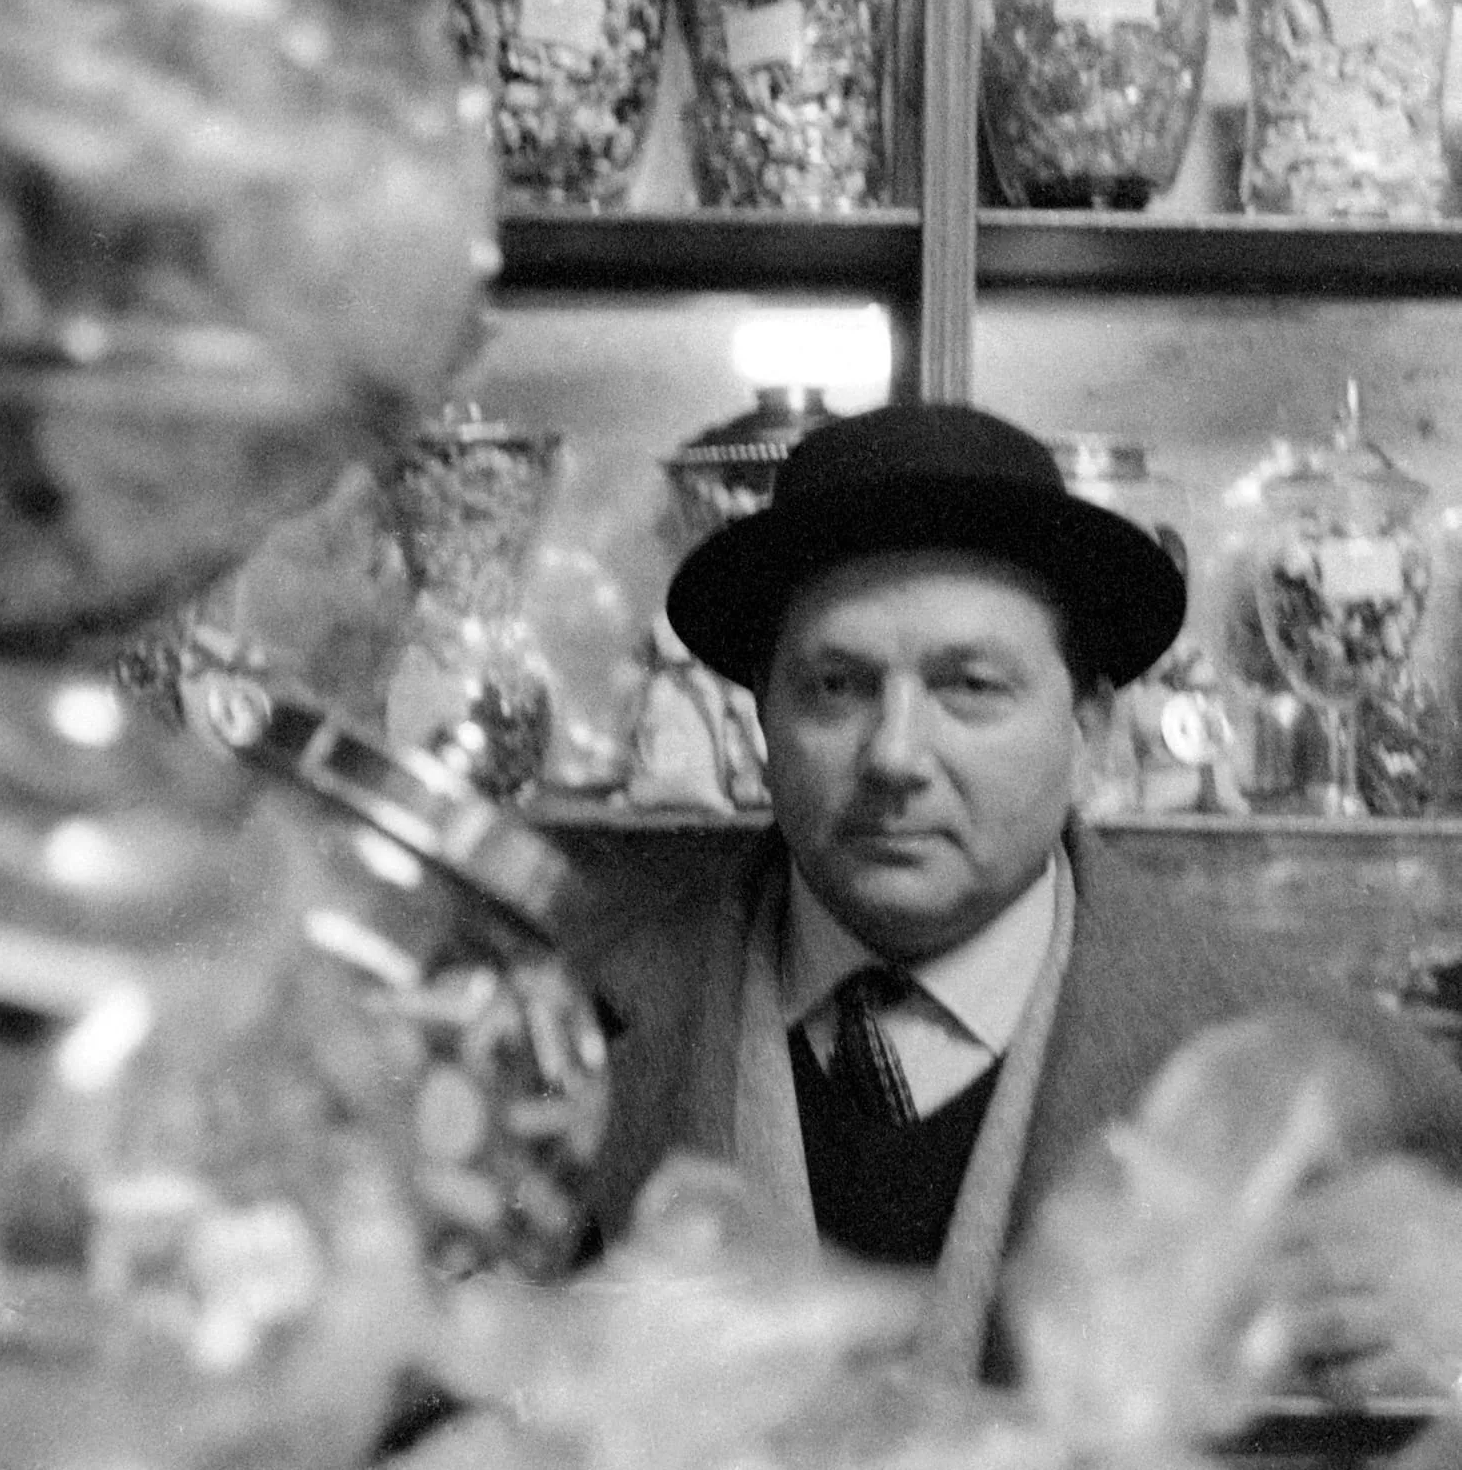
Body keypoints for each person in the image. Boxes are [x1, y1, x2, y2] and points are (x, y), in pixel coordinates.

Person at [582, 400, 1462, 1389]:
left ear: (1087, 727)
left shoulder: (1309, 1062)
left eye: (969, 686)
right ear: (761, 717)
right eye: (835, 686)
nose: (895, 755)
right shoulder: (564, 1032)